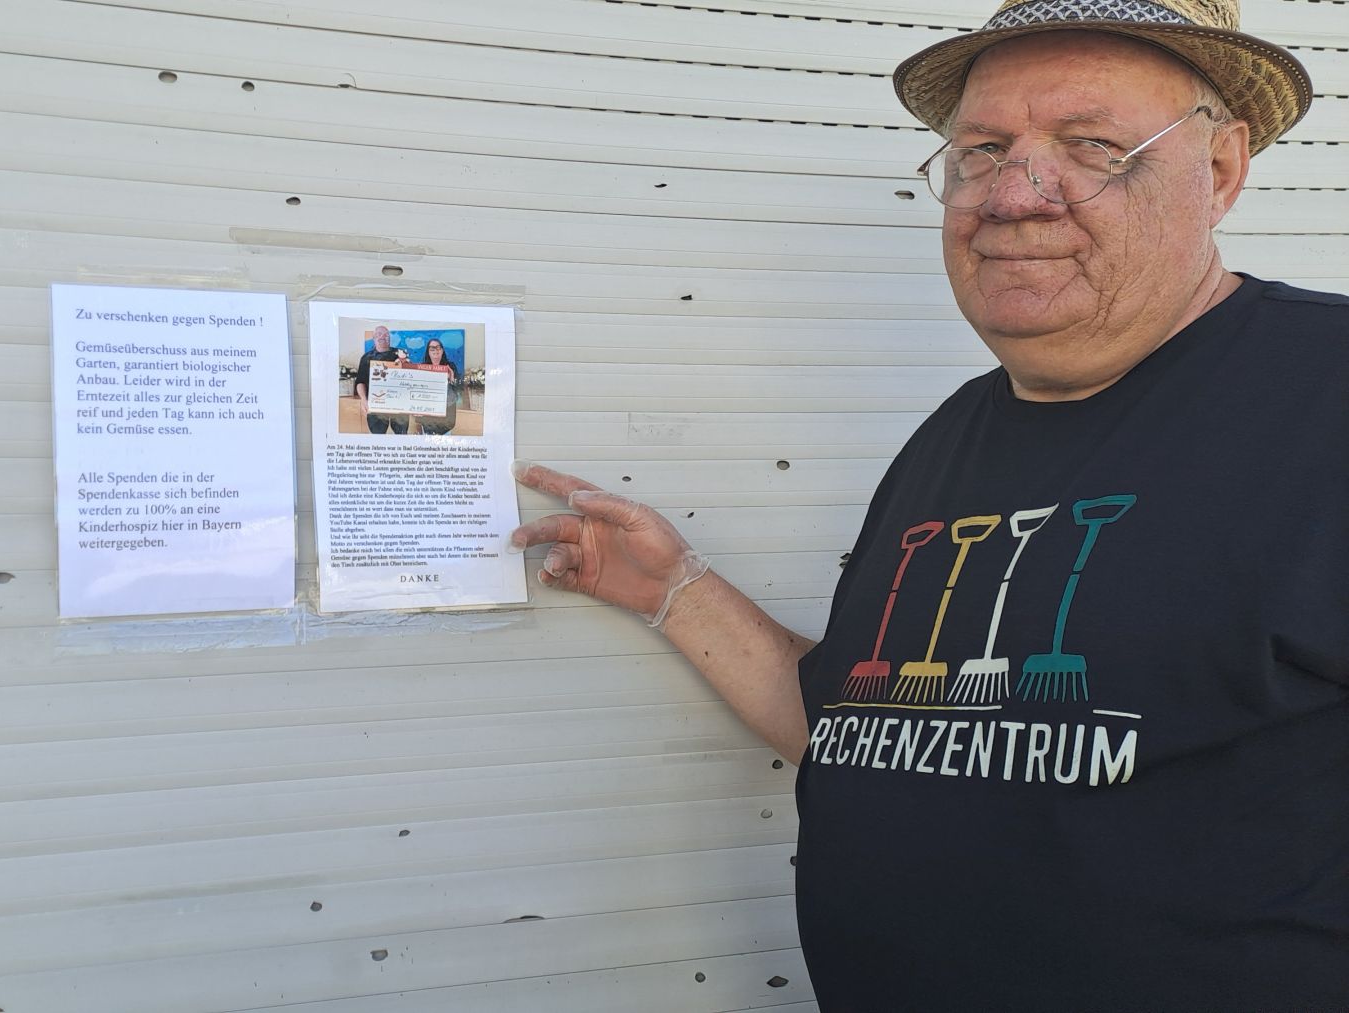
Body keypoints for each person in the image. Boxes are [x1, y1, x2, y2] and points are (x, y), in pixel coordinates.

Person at [510, 3, 1348, 1010]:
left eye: (1091, 145)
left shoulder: (1326, 392)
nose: (1014, 195)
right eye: (983, 150)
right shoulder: (956, 432)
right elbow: (874, 730)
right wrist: (675, 589)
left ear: (1218, 169)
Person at [351, 325, 406, 434]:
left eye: (386, 335)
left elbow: (411, 376)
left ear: (389, 338)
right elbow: (360, 382)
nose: (382, 337)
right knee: (377, 435)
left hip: (398, 403)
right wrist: (363, 399)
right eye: (379, 334)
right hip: (375, 404)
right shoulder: (366, 357)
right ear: (374, 338)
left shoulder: (401, 354)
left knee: (402, 435)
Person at [415, 337, 463, 436]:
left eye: (438, 347)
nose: (436, 350)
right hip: (428, 415)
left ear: (442, 350)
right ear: (428, 352)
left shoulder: (451, 366)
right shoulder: (422, 368)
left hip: (446, 414)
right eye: (432, 348)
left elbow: (459, 389)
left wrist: (452, 378)